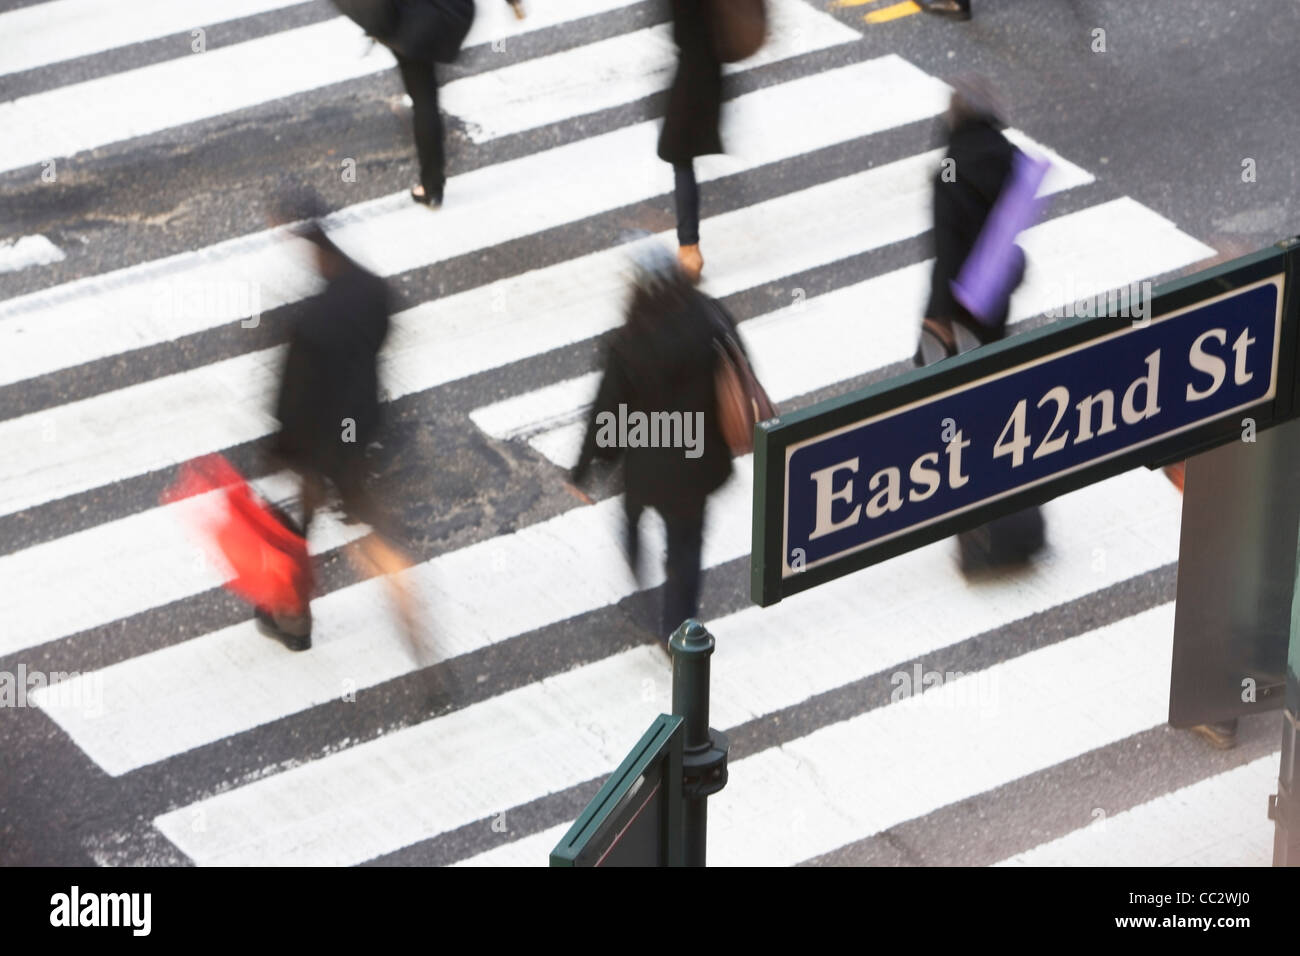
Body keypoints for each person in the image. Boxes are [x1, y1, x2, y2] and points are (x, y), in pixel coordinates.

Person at [261, 189, 423, 654]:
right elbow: (383, 332)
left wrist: (280, 450)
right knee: (367, 533)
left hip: (322, 444)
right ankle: (419, 645)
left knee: (314, 526)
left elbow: (292, 402)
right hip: (364, 430)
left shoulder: (309, 323)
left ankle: (295, 621)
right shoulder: (372, 290)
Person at [571, 245, 735, 640]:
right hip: (697, 461)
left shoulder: (628, 341)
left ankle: (644, 597)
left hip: (646, 467)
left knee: (630, 522)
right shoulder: (710, 318)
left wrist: (585, 469)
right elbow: (738, 372)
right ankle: (678, 631)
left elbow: (607, 411)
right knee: (687, 549)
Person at [917, 79, 1044, 572]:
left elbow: (946, 251)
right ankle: (1012, 526)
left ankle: (978, 539)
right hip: (995, 299)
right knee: (995, 402)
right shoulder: (1012, 160)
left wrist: (938, 317)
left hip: (957, 310)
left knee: (958, 420)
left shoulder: (946, 172)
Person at [658, 0, 724, 283]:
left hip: (694, 73)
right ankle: (688, 248)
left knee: (679, 154)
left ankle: (689, 251)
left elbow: (683, 30)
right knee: (680, 154)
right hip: (706, 69)